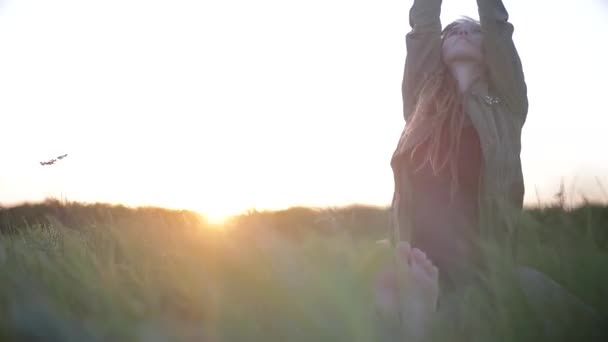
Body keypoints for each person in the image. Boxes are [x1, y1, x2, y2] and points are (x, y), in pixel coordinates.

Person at [390, 0, 527, 290]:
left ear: (488, 48)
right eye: (452, 32)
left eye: (473, 32)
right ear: (438, 50)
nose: (462, 34)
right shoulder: (421, 102)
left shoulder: (506, 104)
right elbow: (423, 26)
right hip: (420, 269)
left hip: (487, 271)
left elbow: (497, 27)